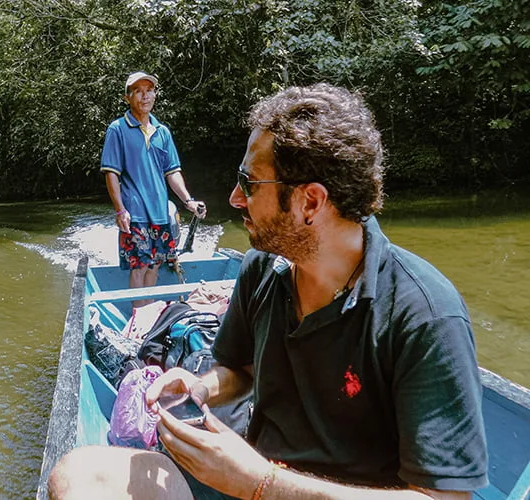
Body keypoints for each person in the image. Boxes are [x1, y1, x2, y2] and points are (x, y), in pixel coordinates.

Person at [48, 83, 488, 499]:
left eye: (250, 183)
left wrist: (262, 483)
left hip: (287, 485)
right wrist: (199, 387)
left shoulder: (425, 314)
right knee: (78, 472)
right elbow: (241, 370)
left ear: (310, 202)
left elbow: (443, 494)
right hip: (250, 477)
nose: (236, 198)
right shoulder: (263, 266)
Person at [101, 71, 206, 305]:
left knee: (155, 264)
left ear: (155, 95)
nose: (144, 96)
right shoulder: (117, 129)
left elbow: (173, 172)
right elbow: (111, 173)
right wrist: (120, 210)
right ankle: (138, 319)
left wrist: (188, 200)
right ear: (127, 97)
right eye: (138, 91)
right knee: (139, 267)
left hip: (161, 212)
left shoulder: (163, 132)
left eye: (149, 90)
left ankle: (147, 316)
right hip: (134, 213)